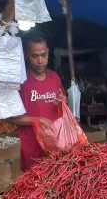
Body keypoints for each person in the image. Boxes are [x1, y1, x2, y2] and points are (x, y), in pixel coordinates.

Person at [6, 31, 66, 171]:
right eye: (35, 56)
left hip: (56, 148)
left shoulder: (54, 77)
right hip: (33, 150)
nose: (40, 61)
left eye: (43, 55)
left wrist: (63, 101)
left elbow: (63, 102)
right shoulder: (20, 82)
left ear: (48, 52)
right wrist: (38, 120)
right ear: (26, 55)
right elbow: (10, 118)